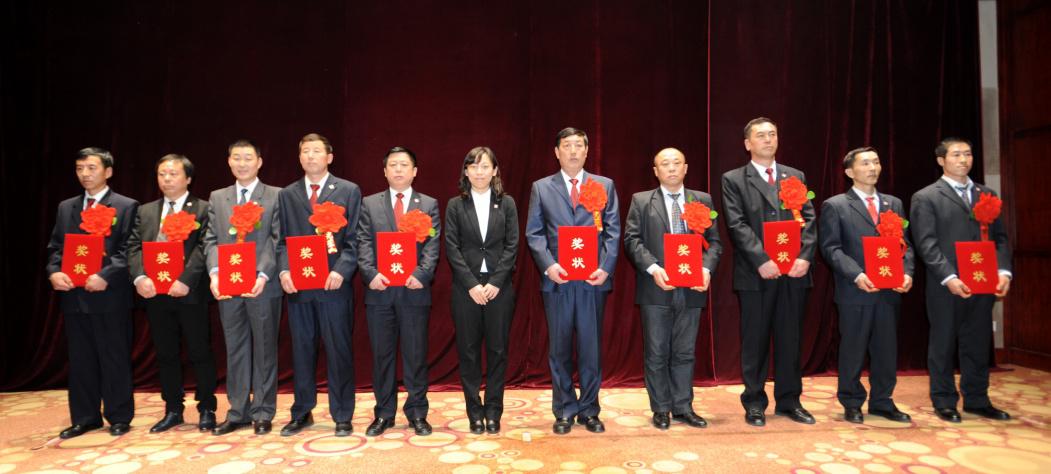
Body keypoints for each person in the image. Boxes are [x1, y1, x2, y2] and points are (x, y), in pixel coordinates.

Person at [720, 117, 817, 426]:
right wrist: (761, 259)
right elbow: (736, 224)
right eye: (760, 135)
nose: (768, 139)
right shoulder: (734, 179)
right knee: (756, 341)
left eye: (772, 134)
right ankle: (754, 402)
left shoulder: (795, 176)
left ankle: (790, 401)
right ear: (747, 143)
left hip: (794, 272)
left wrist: (805, 256)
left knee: (791, 340)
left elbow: (809, 219)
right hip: (756, 273)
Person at [525, 127, 620, 435]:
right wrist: (548, 265)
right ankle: (565, 409)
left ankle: (590, 410)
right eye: (567, 145)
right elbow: (534, 233)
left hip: (593, 281)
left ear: (587, 150)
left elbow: (613, 231)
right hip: (559, 281)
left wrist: (605, 267)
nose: (574, 151)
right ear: (557, 152)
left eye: (579, 145)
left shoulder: (604, 185)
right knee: (560, 349)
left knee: (591, 349)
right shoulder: (542, 188)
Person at [911, 138, 1013, 422]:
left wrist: (1003, 272)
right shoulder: (926, 197)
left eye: (967, 154)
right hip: (947, 285)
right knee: (943, 344)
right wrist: (949, 277)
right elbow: (926, 243)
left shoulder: (986, 193)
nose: (963, 160)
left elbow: (1000, 238)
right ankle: (944, 401)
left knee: (978, 343)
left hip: (984, 282)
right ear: (941, 160)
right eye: (956, 155)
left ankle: (977, 399)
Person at [624, 148, 722, 430]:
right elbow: (632, 240)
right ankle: (661, 408)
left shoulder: (702, 200)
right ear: (655, 171)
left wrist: (706, 270)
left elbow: (715, 242)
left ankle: (683, 407)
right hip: (656, 287)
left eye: (676, 163)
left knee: (685, 351)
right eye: (664, 164)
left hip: (692, 288)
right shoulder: (642, 201)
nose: (671, 168)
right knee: (656, 352)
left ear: (685, 168)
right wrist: (654, 269)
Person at [46, 147, 138, 438]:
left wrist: (105, 275)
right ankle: (85, 417)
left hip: (110, 295)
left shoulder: (126, 206)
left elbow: (129, 250)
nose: (85, 174)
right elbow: (56, 248)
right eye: (80, 168)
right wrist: (54, 271)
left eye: (91, 168)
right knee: (80, 359)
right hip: (74, 296)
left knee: (114, 356)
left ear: (108, 171)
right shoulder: (66, 207)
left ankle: (119, 415)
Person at [819, 147, 914, 424]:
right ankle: (851, 402)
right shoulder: (836, 205)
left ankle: (883, 401)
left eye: (876, 162)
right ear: (849, 172)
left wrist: (907, 273)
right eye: (865, 163)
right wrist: (857, 275)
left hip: (889, 290)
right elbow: (831, 248)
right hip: (855, 290)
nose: (872, 168)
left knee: (886, 349)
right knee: (853, 348)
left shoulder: (893, 204)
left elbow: (905, 245)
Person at [276, 133, 361, 437]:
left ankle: (342, 414)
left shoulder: (348, 190)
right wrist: (284, 271)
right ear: (299, 158)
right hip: (299, 288)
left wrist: (342, 270)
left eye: (316, 151)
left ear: (329, 157)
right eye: (305, 151)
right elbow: (281, 240)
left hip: (334, 286)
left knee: (339, 351)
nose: (310, 156)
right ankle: (302, 411)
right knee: (301, 352)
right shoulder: (287, 194)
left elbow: (355, 239)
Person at [127, 154, 217, 432]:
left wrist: (186, 279)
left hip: (189, 292)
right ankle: (173, 408)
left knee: (199, 351)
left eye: (173, 174)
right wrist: (140, 277)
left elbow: (205, 247)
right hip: (155, 293)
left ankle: (207, 407)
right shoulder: (145, 211)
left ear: (188, 178)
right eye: (161, 174)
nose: (166, 179)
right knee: (165, 353)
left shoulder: (203, 208)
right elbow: (133, 247)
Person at [357, 146, 441, 436]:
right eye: (393, 165)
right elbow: (363, 242)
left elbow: (432, 245)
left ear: (414, 171)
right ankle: (384, 413)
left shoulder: (427, 204)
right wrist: (370, 274)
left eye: (404, 165)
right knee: (382, 356)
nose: (398, 170)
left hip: (413, 292)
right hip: (380, 292)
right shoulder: (369, 204)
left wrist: (421, 274)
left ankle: (417, 412)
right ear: (384, 171)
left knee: (416, 355)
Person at [204, 139, 283, 436]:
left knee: (264, 349)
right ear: (229, 162)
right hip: (227, 285)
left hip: (263, 285)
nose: (242, 163)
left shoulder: (276, 195)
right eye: (236, 157)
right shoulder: (218, 197)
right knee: (235, 348)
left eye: (248, 158)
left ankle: (263, 411)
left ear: (259, 162)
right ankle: (237, 411)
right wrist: (215, 274)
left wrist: (262, 275)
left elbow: (277, 239)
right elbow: (211, 239)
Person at [444, 147, 519, 434]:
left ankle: (494, 411)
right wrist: (472, 284)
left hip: (499, 287)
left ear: (495, 170)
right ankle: (474, 412)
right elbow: (452, 247)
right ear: (465, 171)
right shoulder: (455, 205)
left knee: (498, 350)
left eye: (485, 166)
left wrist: (496, 282)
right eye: (473, 167)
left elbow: (512, 245)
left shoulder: (507, 203)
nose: (479, 172)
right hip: (467, 288)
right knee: (469, 351)